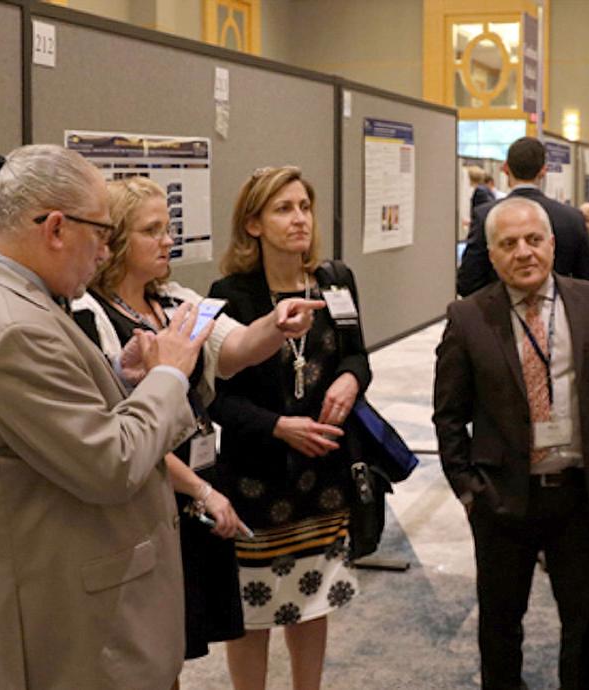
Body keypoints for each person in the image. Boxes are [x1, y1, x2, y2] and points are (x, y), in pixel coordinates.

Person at [0, 145, 235, 689]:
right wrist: (170, 376)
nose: (104, 253)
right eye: (102, 233)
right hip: (76, 633)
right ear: (54, 228)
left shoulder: (10, 299)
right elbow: (109, 464)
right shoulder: (14, 328)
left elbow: (51, 420)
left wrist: (120, 374)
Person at [69, 175, 324, 668]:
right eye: (153, 230)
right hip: (148, 485)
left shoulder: (174, 300)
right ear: (118, 240)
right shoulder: (90, 314)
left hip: (193, 479)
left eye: (168, 228)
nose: (169, 240)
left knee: (177, 638)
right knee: (150, 644)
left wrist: (277, 323)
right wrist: (200, 491)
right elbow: (116, 425)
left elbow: (236, 348)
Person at [433, 196, 589, 690]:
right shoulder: (467, 318)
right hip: (502, 498)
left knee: (583, 622)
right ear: (491, 253)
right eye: (508, 244)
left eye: (533, 240)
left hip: (580, 493)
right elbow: (448, 416)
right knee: (501, 626)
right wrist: (468, 489)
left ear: (551, 243)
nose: (523, 252)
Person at [208, 166, 371, 690]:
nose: (299, 219)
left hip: (323, 474)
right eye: (283, 209)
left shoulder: (334, 281)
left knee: (312, 597)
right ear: (253, 224)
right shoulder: (231, 294)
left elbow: (358, 355)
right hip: (256, 476)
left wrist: (350, 379)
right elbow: (217, 398)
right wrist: (279, 426)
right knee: (252, 612)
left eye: (304, 207)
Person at [457, 137, 589, 297]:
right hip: (560, 314)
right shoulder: (572, 218)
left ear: (505, 168)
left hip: (498, 318)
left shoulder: (485, 216)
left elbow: (468, 282)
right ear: (544, 170)